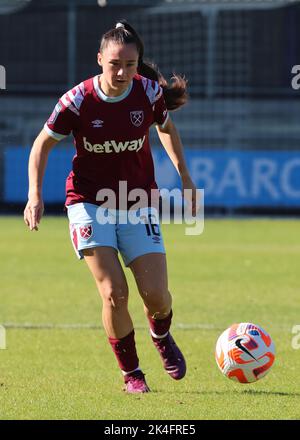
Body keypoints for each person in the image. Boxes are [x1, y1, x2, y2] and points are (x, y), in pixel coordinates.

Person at [24, 20, 198, 393]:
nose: (122, 73)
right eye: (115, 64)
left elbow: (166, 128)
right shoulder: (77, 101)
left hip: (137, 202)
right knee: (114, 292)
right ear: (100, 59)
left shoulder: (148, 93)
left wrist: (185, 177)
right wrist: (34, 195)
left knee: (157, 297)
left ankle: (161, 333)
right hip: (88, 203)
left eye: (130, 65)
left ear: (139, 64)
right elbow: (41, 145)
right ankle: (132, 374)